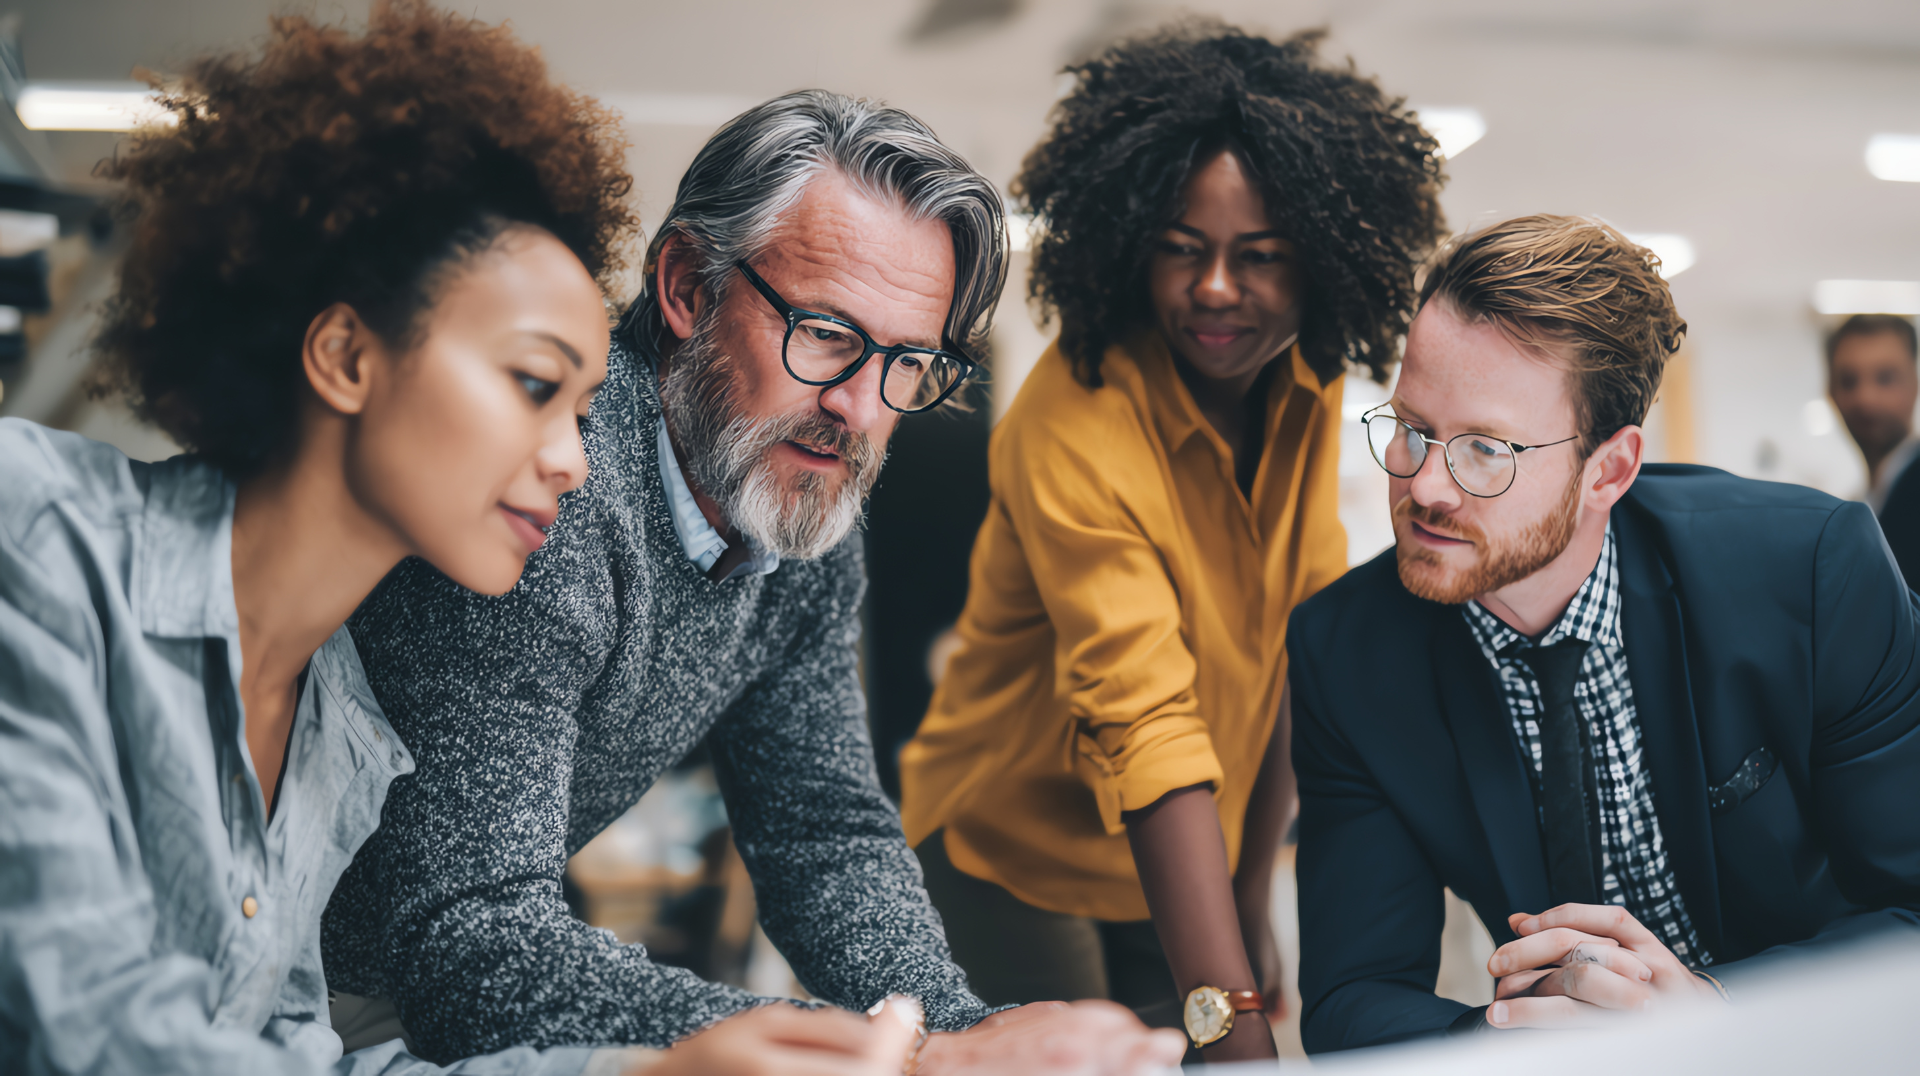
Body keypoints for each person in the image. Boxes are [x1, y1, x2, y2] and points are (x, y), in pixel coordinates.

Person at [1, 3, 924, 1072]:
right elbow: (107, 1030)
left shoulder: (340, 743)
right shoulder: (38, 540)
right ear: (346, 354)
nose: (577, 464)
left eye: (581, 413)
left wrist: (657, 1070)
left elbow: (302, 1062)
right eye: (533, 385)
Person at [319, 88, 1186, 1074]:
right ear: (688, 285)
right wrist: (896, 1055)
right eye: (825, 333)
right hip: (271, 978)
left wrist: (953, 1026)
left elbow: (823, 833)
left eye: (908, 363)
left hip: (409, 991)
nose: (859, 409)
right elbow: (475, 947)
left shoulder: (795, 504)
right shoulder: (550, 490)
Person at [896, 23, 1446, 1063]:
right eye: (1183, 249)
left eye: (1261, 257)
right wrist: (1230, 1014)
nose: (1217, 290)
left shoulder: (1305, 379)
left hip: (1176, 846)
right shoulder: (1073, 426)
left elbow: (1300, 641)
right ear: (1132, 237)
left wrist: (1246, 903)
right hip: (1002, 845)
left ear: (1321, 261)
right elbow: (1145, 717)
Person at [1287, 214, 1920, 1053]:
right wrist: (1524, 1036)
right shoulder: (1348, 650)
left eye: (1486, 450)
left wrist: (1715, 1011)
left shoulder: (1809, 571)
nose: (1425, 485)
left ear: (1611, 469)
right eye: (1411, 429)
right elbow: (1352, 995)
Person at [1826, 313, 1920, 588]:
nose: (1865, 398)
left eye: (1885, 378)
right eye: (1849, 380)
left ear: (1914, 384)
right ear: (1830, 390)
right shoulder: (1860, 505)